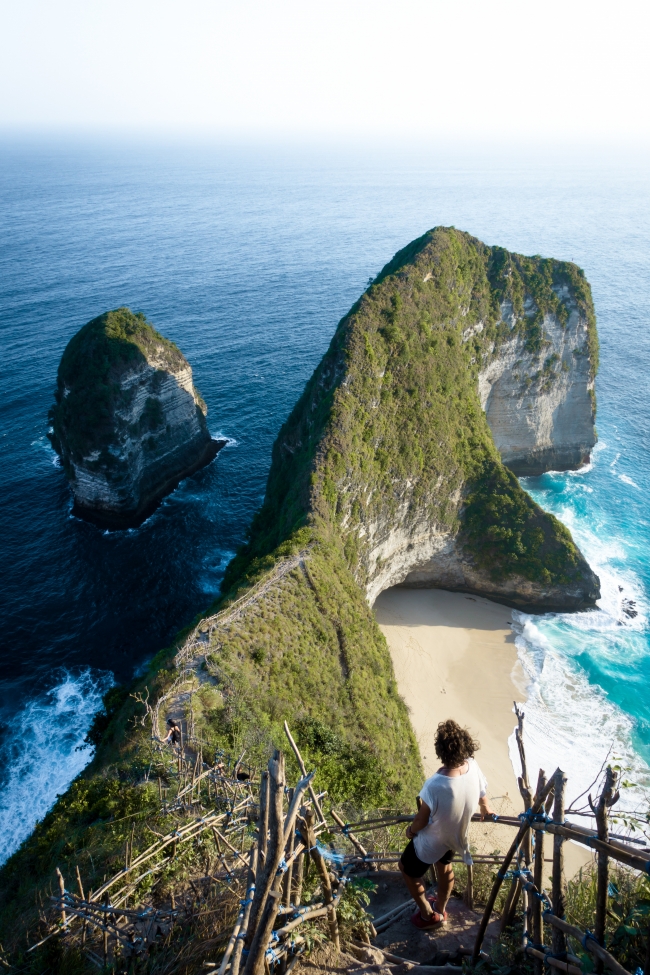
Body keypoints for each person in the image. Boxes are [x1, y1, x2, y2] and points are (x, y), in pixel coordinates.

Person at [399, 719, 495, 928]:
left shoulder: (435, 784)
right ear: (465, 744)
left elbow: (421, 820)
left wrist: (410, 831)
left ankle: (427, 914)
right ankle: (441, 909)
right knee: (444, 867)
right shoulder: (473, 766)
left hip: (434, 839)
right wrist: (485, 806)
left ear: (440, 750)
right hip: (456, 835)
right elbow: (482, 791)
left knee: (407, 868)